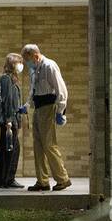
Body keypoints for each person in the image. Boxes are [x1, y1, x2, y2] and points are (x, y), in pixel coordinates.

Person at [21, 43, 71, 192]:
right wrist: (27, 104)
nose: (26, 63)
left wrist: (60, 111)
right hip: (38, 107)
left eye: (27, 59)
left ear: (35, 56)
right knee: (38, 145)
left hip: (49, 107)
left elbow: (61, 89)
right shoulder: (34, 70)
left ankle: (63, 179)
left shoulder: (49, 66)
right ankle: (42, 181)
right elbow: (33, 89)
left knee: (49, 144)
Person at [0, 53, 24, 189]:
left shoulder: (10, 79)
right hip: (9, 121)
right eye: (19, 62)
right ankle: (5, 180)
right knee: (9, 149)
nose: (21, 65)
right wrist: (9, 120)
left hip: (11, 119)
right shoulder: (6, 79)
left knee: (10, 149)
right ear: (13, 64)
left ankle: (2, 180)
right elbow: (8, 101)